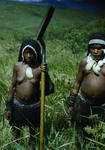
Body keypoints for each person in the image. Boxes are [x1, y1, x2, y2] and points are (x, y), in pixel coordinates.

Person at [5, 39, 54, 148]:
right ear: (22, 53)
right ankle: (14, 147)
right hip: (17, 105)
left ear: (36, 53)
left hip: (34, 106)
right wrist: (9, 107)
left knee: (34, 134)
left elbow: (49, 90)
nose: (29, 55)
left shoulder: (40, 69)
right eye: (26, 52)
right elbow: (12, 87)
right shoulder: (17, 66)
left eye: (31, 53)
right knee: (15, 132)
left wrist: (45, 74)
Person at [67, 32, 105, 146]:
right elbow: (77, 82)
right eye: (93, 48)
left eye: (98, 48)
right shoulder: (84, 63)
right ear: (89, 49)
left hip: (102, 104)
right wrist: (71, 102)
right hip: (83, 102)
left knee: (98, 133)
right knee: (80, 131)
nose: (95, 51)